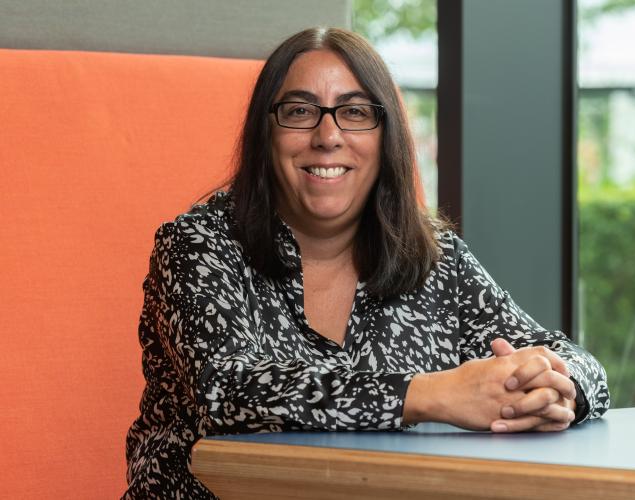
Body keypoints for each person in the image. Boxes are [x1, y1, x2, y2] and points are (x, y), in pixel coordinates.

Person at [124, 27, 610, 498]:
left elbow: (573, 361)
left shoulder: (435, 256)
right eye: (299, 111)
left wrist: (556, 387)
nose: (328, 135)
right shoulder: (198, 244)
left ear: (386, 137)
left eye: (355, 112)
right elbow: (229, 391)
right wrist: (432, 393)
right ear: (264, 135)